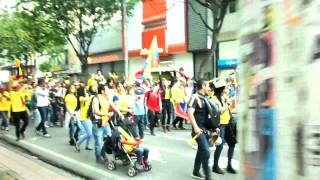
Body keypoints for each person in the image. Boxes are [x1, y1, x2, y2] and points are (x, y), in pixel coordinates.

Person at [188, 79, 219, 180]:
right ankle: (208, 176)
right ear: (203, 86)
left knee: (201, 151)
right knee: (206, 152)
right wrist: (196, 127)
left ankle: (196, 171)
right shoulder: (194, 97)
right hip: (198, 131)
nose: (209, 88)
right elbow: (190, 112)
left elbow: (209, 115)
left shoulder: (206, 98)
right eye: (208, 86)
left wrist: (215, 128)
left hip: (206, 130)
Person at [91, 84, 124, 163]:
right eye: (107, 89)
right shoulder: (96, 98)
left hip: (106, 122)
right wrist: (107, 114)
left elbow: (114, 106)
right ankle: (98, 157)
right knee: (98, 142)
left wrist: (120, 113)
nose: (109, 91)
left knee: (109, 139)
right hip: (98, 123)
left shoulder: (107, 98)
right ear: (102, 91)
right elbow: (96, 111)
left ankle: (102, 153)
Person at [211, 79, 237, 174]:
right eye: (224, 88)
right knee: (220, 146)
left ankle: (229, 165)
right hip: (220, 125)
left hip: (228, 123)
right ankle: (215, 166)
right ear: (220, 89)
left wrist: (232, 103)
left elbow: (231, 108)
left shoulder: (224, 97)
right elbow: (219, 111)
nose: (226, 90)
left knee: (232, 144)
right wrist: (227, 105)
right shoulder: (213, 99)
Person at [75, 86, 93, 152]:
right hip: (83, 117)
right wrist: (90, 97)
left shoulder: (87, 95)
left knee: (90, 132)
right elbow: (87, 100)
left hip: (89, 116)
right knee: (89, 133)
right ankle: (78, 143)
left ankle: (87, 145)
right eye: (85, 90)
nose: (86, 91)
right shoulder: (81, 97)